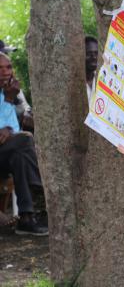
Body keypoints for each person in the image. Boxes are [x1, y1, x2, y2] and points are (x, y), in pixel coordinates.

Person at [0, 53, 47, 235]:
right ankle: (41, 190)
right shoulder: (10, 94)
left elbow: (14, 123)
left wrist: (24, 111)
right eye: (0, 68)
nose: (5, 72)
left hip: (9, 152)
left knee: (20, 154)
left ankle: (26, 217)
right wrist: (8, 101)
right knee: (25, 139)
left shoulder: (13, 89)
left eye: (9, 67)